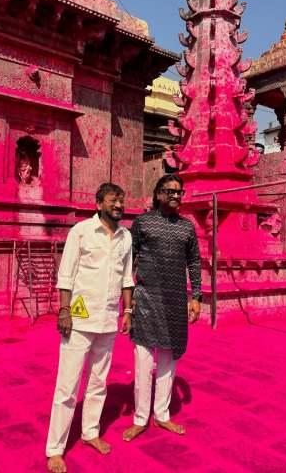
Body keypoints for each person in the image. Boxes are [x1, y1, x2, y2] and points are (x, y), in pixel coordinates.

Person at [46, 183, 134, 473]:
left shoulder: (125, 237)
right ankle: (55, 449)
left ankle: (90, 432)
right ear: (98, 204)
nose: (118, 205)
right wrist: (64, 311)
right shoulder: (81, 231)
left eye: (121, 200)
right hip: (80, 318)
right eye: (112, 200)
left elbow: (126, 279)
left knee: (98, 382)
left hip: (108, 318)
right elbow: (66, 274)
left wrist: (128, 311)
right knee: (68, 385)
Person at [123, 174, 202, 442]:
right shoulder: (142, 223)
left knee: (168, 361)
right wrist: (127, 297)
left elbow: (194, 262)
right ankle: (139, 418)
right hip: (145, 300)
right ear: (157, 194)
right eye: (170, 191)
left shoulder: (187, 227)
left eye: (180, 192)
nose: (176, 196)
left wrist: (197, 297)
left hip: (175, 301)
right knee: (143, 362)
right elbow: (128, 260)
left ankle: (162, 414)